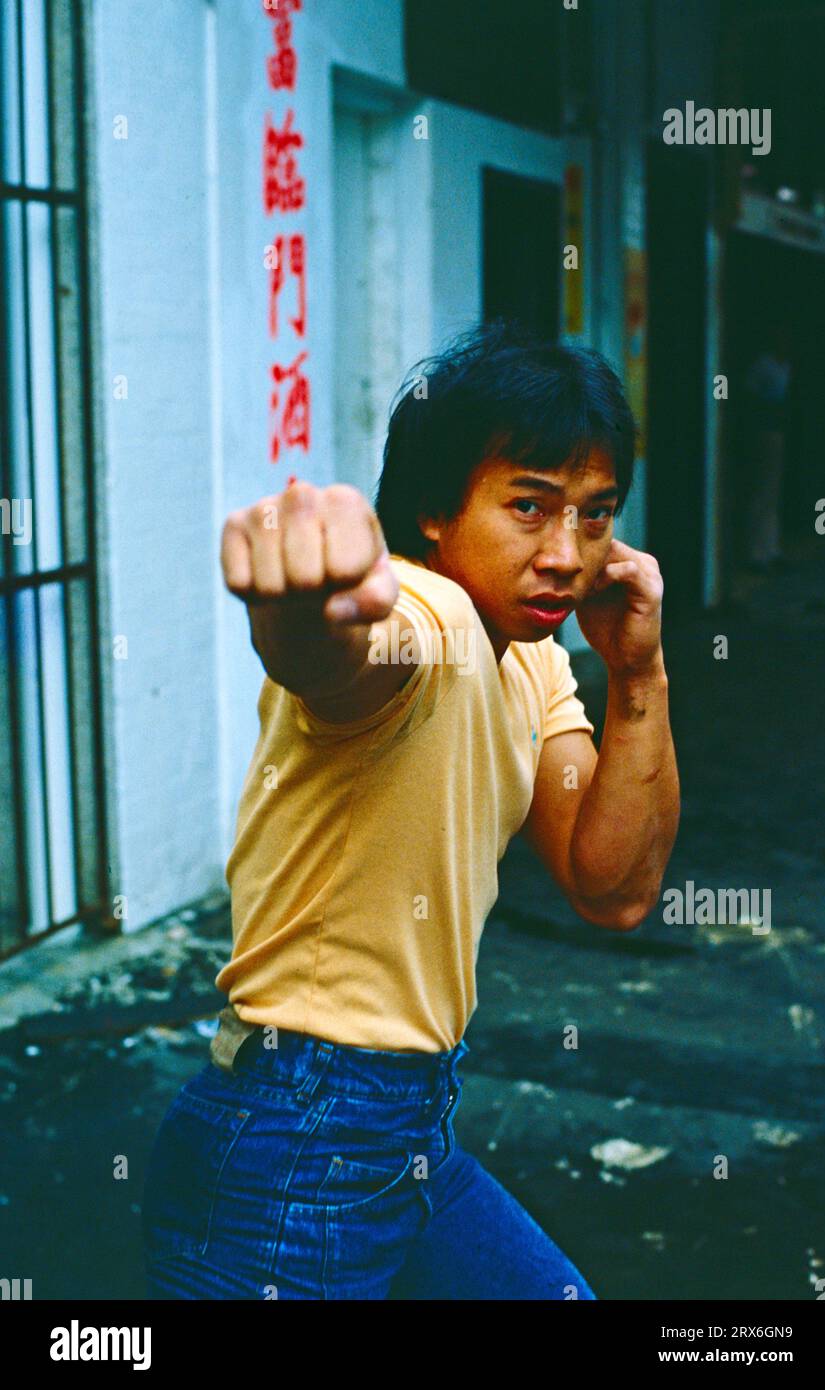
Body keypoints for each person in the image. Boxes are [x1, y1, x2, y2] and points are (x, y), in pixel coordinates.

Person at [141, 320, 680, 1300]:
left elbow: (615, 887)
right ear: (437, 510)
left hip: (409, 1133)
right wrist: (303, 602)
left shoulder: (539, 662)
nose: (567, 552)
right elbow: (338, 653)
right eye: (531, 507)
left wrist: (638, 673)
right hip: (292, 1143)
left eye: (596, 517)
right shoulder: (425, 620)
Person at [741, 323, 793, 572]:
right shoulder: (764, 366)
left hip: (778, 432)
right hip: (764, 433)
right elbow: (749, 398)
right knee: (761, 492)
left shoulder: (785, 365)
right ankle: (757, 553)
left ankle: (771, 549)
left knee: (772, 492)